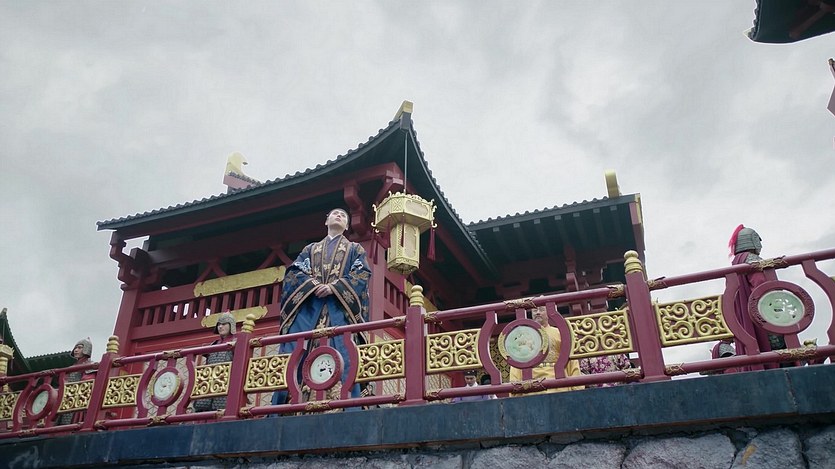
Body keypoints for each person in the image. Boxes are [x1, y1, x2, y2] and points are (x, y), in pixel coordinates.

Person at [271, 208, 371, 406]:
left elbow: (362, 274)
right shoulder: (310, 249)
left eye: (343, 216)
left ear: (347, 226)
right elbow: (294, 273)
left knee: (343, 353)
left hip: (340, 312)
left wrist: (334, 288)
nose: (339, 216)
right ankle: (296, 401)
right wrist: (313, 285)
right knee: (302, 353)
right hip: (311, 312)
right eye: (335, 214)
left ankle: (344, 402)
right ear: (326, 221)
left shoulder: (354, 249)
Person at [728, 225, 786, 368]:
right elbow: (762, 285)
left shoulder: (735, 263)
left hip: (747, 316)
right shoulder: (752, 259)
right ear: (752, 240)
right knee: (781, 351)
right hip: (764, 313)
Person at [508, 306, 583, 394]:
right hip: (531, 386)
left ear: (548, 313)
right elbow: (517, 363)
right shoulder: (524, 337)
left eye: (542, 310)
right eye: (535, 310)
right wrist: (515, 388)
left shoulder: (559, 333)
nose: (538, 313)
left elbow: (571, 360)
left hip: (557, 383)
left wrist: (577, 388)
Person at [193, 311, 235, 412]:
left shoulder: (235, 342)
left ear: (231, 325)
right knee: (202, 408)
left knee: (222, 409)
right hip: (209, 382)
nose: (220, 327)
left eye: (224, 324)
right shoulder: (214, 344)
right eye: (219, 324)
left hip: (225, 382)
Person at [57, 338, 95, 425]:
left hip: (79, 400)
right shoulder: (72, 367)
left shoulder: (90, 365)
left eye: (80, 348)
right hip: (66, 398)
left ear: (86, 349)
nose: (76, 350)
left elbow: (88, 381)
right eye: (75, 348)